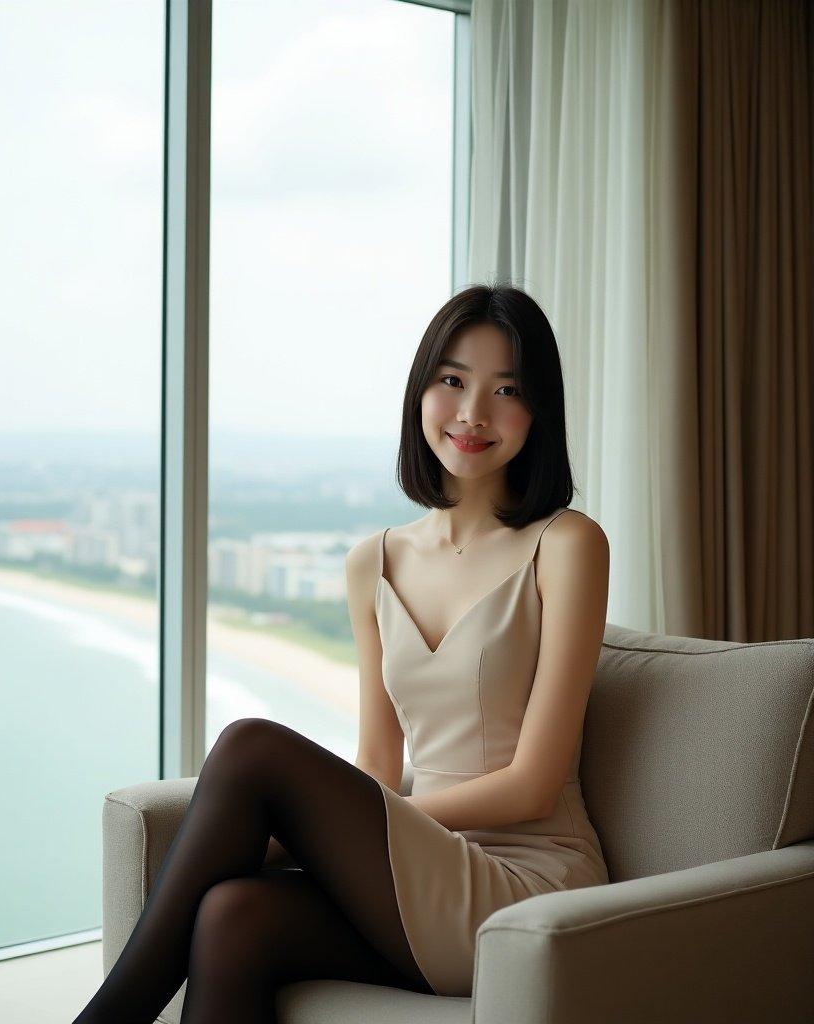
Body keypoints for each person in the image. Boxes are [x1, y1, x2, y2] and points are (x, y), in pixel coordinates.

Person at [72, 282, 611, 1023]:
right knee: (233, 913)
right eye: (451, 380)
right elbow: (377, 766)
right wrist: (342, 827)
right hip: (416, 872)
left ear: (538, 411)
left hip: (527, 886)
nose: (471, 413)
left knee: (251, 747)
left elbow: (533, 787)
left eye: (506, 389)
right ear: (419, 392)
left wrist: (362, 825)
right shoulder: (375, 562)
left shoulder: (567, 544)